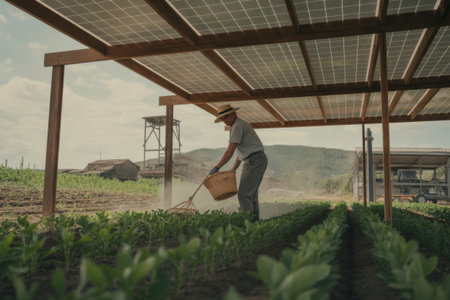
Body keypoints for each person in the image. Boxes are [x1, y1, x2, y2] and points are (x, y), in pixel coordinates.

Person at [209, 104, 268, 221]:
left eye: (226, 117)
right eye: (222, 119)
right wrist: (233, 170)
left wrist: (217, 167)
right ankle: (255, 224)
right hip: (256, 159)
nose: (224, 121)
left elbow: (229, 152)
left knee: (243, 194)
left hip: (254, 160)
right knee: (251, 195)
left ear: (233, 114)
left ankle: (248, 224)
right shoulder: (238, 125)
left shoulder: (237, 126)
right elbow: (240, 153)